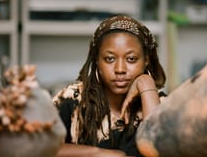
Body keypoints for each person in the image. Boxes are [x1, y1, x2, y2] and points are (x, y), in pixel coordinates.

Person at [52, 15, 166, 157]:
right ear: (97, 62)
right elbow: (37, 149)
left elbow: (160, 151)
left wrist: (146, 83)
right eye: (109, 59)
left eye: (131, 59)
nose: (120, 69)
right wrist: (98, 154)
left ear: (146, 61)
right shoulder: (73, 99)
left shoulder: (160, 104)